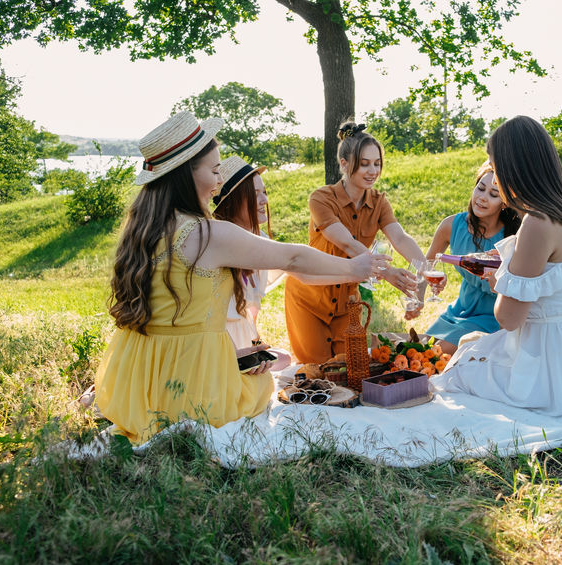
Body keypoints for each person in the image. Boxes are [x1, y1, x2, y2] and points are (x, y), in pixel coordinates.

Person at [94, 112, 388, 443]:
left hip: (141, 382)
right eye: (214, 170)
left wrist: (229, 359)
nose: (219, 181)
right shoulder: (206, 233)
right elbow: (291, 256)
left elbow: (173, 327)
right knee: (260, 388)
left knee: (263, 371)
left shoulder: (142, 229)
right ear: (184, 176)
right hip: (189, 390)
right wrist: (353, 268)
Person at [430, 116, 562, 416]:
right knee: (468, 348)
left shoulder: (535, 223)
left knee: (457, 372)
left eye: (495, 167)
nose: (494, 177)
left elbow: (508, 319)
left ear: (513, 169)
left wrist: (497, 280)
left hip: (546, 363)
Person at [284, 121, 427, 364]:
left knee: (351, 372)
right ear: (344, 164)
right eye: (364, 164)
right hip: (309, 300)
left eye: (377, 163)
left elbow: (400, 237)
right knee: (317, 372)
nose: (373, 171)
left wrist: (426, 272)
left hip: (348, 307)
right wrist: (388, 273)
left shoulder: (379, 202)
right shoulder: (321, 199)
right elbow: (348, 244)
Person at [417, 161, 521, 355]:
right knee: (416, 348)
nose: (482, 198)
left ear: (505, 202)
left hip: (494, 317)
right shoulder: (452, 225)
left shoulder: (513, 237)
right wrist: (419, 298)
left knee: (433, 354)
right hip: (460, 312)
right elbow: (426, 265)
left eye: (493, 194)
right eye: (480, 189)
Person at [211, 156, 291, 370]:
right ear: (233, 201)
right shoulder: (219, 243)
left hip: (245, 340)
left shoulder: (259, 238)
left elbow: (298, 269)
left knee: (283, 357)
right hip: (219, 343)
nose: (264, 200)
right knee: (276, 360)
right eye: (255, 195)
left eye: (264, 192)